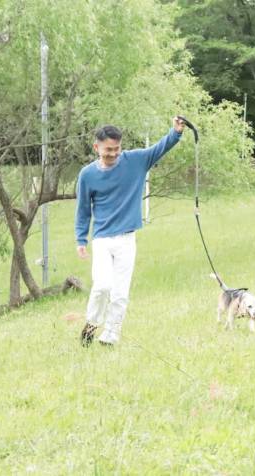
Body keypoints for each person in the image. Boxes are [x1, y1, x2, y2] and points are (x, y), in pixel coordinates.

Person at [75, 118, 184, 346]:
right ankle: (92, 325)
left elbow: (159, 149)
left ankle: (110, 337)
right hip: (103, 239)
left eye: (116, 149)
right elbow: (83, 209)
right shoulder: (87, 175)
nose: (113, 154)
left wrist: (175, 132)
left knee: (120, 294)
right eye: (108, 150)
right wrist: (81, 238)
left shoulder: (135, 161)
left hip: (127, 238)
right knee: (102, 286)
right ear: (97, 148)